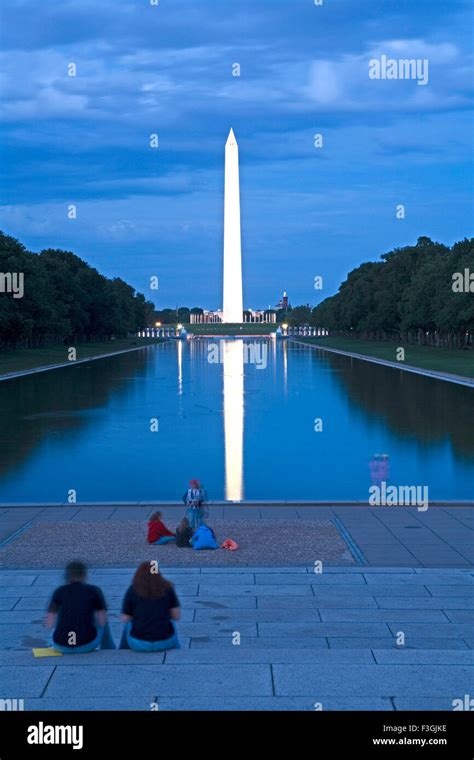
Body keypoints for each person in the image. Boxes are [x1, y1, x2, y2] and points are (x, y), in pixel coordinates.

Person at [45, 561, 116, 653]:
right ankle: (109, 649)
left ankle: (54, 643)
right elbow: (102, 622)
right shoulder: (94, 590)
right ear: (84, 575)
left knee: (59, 614)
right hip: (86, 645)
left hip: (61, 646)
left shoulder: (59, 591)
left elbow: (49, 624)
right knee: (102, 616)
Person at [119, 561, 181, 652]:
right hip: (165, 643)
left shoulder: (132, 589)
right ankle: (178, 648)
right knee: (171, 621)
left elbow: (125, 618)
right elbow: (176, 616)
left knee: (129, 623)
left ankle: (122, 650)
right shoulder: (167, 588)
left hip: (139, 644)